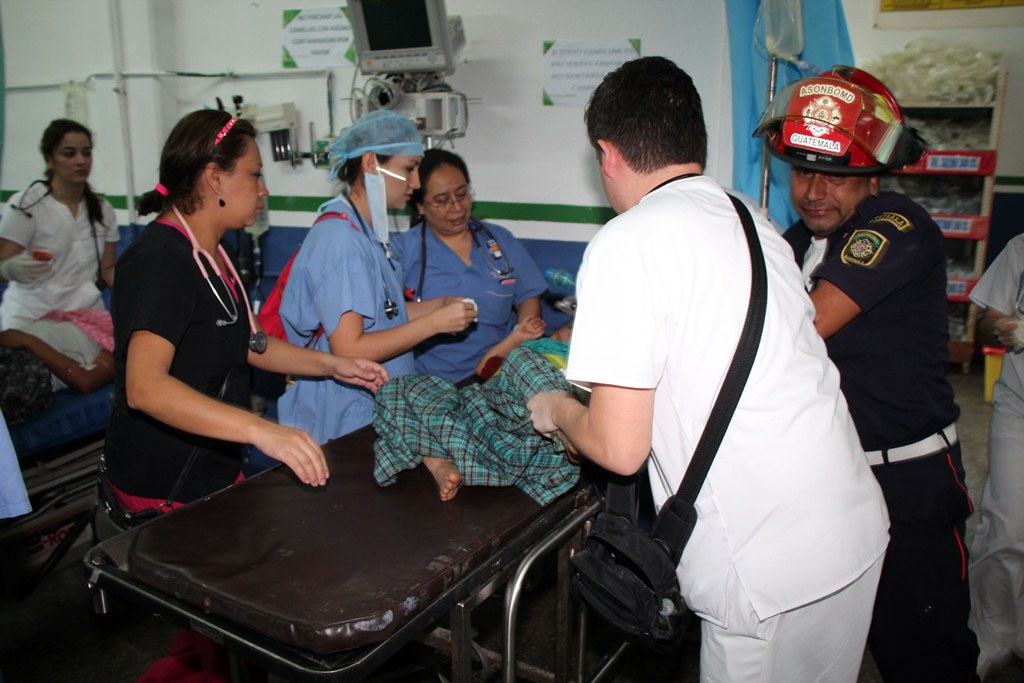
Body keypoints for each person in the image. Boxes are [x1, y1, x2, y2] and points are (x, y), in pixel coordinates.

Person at [528, 56, 890, 682]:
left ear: (607, 154)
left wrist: (556, 408)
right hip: (851, 524)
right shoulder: (752, 219)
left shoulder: (626, 241)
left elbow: (619, 448)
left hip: (764, 565)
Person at [754, 66, 980, 681]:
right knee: (833, 643)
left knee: (926, 653)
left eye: (836, 175)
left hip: (907, 479)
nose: (814, 191)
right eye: (802, 172)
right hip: (834, 475)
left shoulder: (894, 226)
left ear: (872, 176)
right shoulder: (797, 240)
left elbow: (808, 323)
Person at [104, 109, 388, 514]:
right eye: (255, 175)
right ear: (215, 178)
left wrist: (333, 365)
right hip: (163, 483)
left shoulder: (215, 253)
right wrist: (261, 430)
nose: (264, 190)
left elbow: (253, 344)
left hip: (214, 467)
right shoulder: (161, 261)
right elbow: (145, 388)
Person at [278, 111, 476, 455]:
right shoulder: (340, 241)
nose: (416, 183)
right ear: (371, 163)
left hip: (373, 410)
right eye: (408, 169)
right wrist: (434, 324)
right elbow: (350, 349)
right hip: (341, 417)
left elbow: (383, 316)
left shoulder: (368, 235)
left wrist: (439, 306)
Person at [391, 149, 548, 382]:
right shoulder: (402, 251)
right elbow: (387, 314)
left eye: (462, 195)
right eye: (442, 201)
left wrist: (521, 337)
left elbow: (528, 295)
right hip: (432, 382)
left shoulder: (498, 240)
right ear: (420, 206)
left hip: (500, 371)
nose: (457, 207)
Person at [967, 234, 1024, 678]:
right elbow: (986, 322)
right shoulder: (1021, 248)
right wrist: (1003, 327)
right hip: (1018, 407)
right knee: (1006, 527)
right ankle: (993, 640)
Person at [0, 119, 119, 330]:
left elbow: (107, 269)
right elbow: (2, 264)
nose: (81, 161)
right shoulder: (26, 205)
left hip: (87, 318)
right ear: (49, 159)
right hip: (32, 320)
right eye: (69, 153)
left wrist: (140, 285)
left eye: (87, 153)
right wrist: (9, 270)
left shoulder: (102, 208)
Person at [0, 308, 115, 424]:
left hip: (28, 368)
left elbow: (87, 381)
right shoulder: (100, 318)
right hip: (12, 346)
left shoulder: (117, 344)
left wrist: (29, 342)